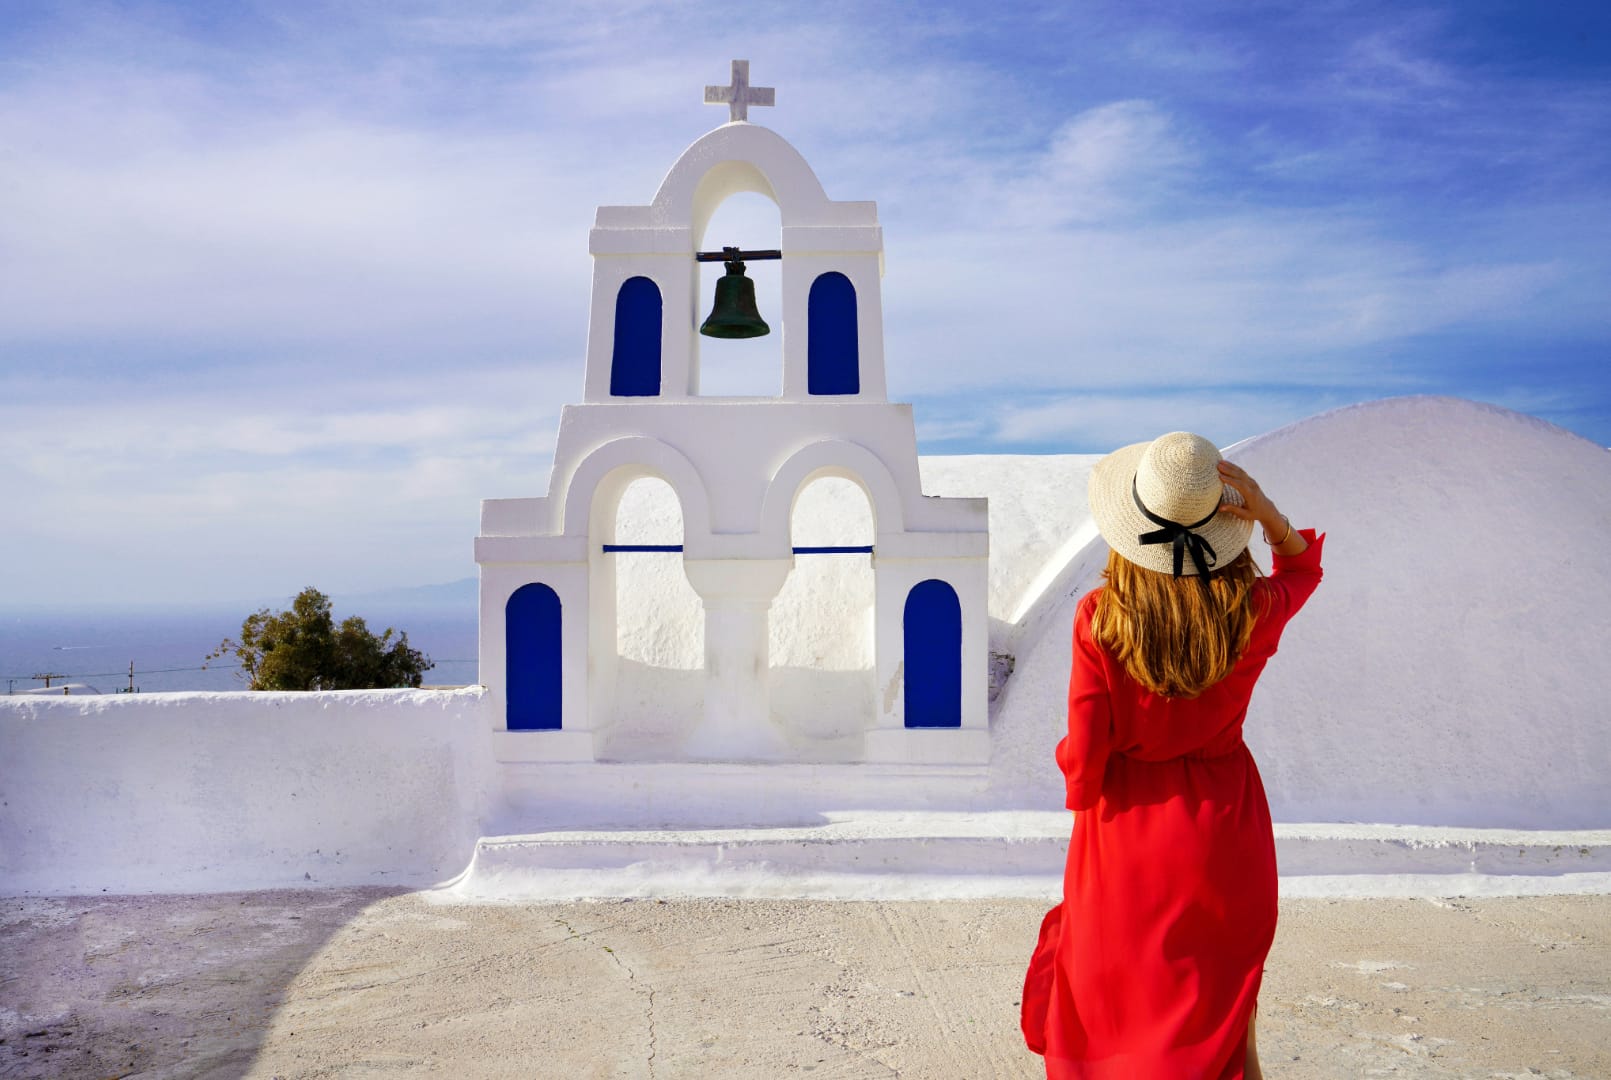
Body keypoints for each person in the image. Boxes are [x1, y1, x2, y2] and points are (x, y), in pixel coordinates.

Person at [1020, 431, 1324, 1079]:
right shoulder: (1253, 609)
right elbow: (1302, 570)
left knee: (1117, 1000)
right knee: (1216, 1011)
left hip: (1125, 828)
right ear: (1224, 526)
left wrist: (1079, 787)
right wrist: (1268, 514)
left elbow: (1082, 754)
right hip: (1225, 827)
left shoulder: (1100, 618)